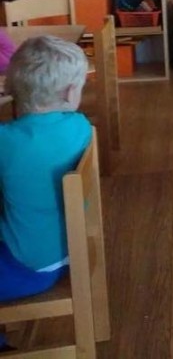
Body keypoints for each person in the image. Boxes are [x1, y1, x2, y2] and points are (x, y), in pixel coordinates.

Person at [0, 36, 90, 346]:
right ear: (69, 93)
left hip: (27, 267)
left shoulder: (7, 141)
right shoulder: (80, 126)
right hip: (70, 249)